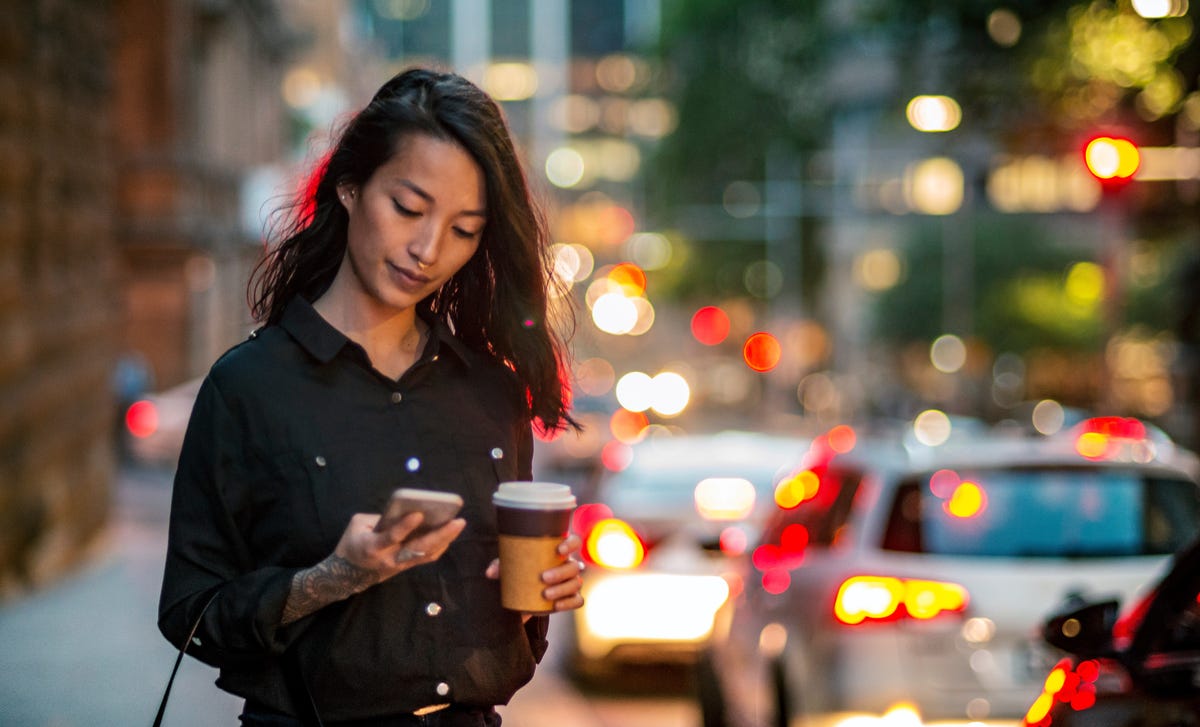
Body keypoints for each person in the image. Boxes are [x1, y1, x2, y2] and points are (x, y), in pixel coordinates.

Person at [158, 67, 584, 727]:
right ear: (350, 187)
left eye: (464, 229)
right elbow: (191, 612)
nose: (428, 249)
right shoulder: (250, 387)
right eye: (409, 208)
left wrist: (537, 594)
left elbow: (512, 631)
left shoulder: (490, 392)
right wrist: (329, 577)